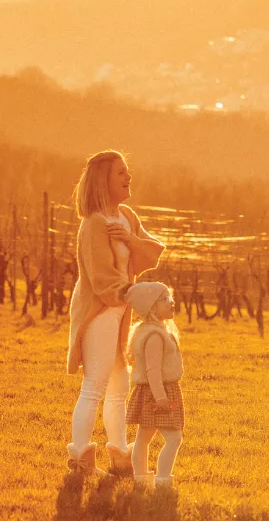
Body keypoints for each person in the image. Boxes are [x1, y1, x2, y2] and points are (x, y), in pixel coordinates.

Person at [64, 150, 166, 480]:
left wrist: (130, 238)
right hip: (101, 310)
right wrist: (137, 297)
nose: (128, 177)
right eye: (120, 173)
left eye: (128, 171)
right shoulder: (94, 223)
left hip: (120, 311)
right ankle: (81, 460)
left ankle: (120, 460)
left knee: (119, 385)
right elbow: (101, 279)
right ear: (103, 180)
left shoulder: (125, 217)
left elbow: (152, 252)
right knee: (95, 383)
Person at [123, 282, 186, 491]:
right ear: (151, 306)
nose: (171, 302)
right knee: (174, 437)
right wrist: (160, 397)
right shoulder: (154, 336)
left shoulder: (153, 330)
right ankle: (163, 481)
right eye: (165, 299)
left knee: (144, 437)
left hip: (153, 390)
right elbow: (153, 371)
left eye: (170, 297)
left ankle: (141, 479)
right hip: (158, 391)